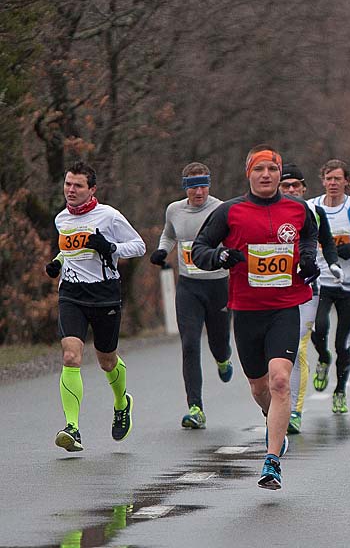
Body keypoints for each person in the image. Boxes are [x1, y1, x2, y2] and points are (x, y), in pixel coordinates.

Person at [192, 145, 320, 490]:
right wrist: (221, 256)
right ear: (248, 173)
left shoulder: (297, 209)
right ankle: (271, 417)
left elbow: (310, 236)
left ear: (280, 174)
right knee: (260, 387)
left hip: (284, 307)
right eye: (259, 169)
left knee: (280, 381)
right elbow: (199, 250)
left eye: (272, 169)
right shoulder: (229, 212)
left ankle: (272, 461)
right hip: (247, 310)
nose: (266, 175)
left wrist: (308, 259)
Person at [45, 161, 146, 452]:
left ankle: (122, 402)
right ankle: (72, 428)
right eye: (68, 184)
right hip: (71, 294)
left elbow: (139, 245)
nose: (71, 190)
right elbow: (68, 250)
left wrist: (111, 248)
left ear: (92, 190)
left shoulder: (109, 216)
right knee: (70, 356)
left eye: (78, 185)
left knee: (107, 360)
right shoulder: (61, 219)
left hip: (104, 295)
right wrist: (57, 263)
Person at [149, 163, 234, 430]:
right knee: (189, 344)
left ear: (209, 185)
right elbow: (169, 235)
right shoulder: (174, 210)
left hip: (218, 286)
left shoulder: (221, 209)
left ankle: (223, 358)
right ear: (185, 187)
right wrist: (162, 251)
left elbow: (233, 241)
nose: (199, 192)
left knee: (219, 343)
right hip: (189, 287)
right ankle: (195, 408)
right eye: (193, 187)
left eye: (203, 186)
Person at [308, 159, 350, 415]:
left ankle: (340, 391)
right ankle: (323, 358)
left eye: (338, 179)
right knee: (318, 328)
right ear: (322, 180)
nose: (333, 183)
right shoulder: (311, 207)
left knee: (343, 343)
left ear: (347, 181)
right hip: (320, 281)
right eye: (329, 178)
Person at [278, 163, 341, 434]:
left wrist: (333, 264)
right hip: (273, 290)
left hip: (307, 289)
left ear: (304, 188)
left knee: (297, 348)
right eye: (286, 185)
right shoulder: (266, 212)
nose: (291, 190)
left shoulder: (314, 212)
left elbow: (328, 242)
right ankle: (275, 406)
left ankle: (294, 411)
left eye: (296, 185)